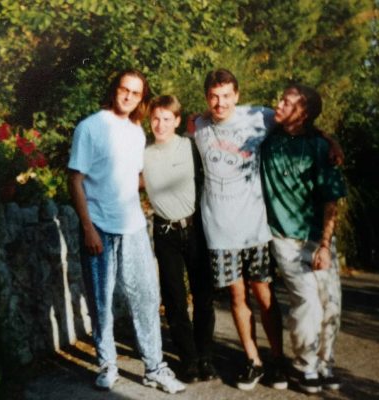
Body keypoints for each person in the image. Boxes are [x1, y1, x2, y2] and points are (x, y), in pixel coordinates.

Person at [68, 69, 185, 394]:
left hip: (132, 226)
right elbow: (75, 180)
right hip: (99, 228)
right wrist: (88, 228)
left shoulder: (136, 131)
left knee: (146, 296)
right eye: (124, 89)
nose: (129, 97)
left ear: (141, 98)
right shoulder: (90, 127)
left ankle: (155, 368)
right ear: (114, 89)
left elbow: (133, 179)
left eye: (136, 93)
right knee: (101, 301)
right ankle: (107, 365)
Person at [190, 69, 287, 391]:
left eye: (226, 96)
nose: (220, 103)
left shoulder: (259, 117)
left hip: (255, 229)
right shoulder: (197, 125)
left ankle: (277, 360)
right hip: (220, 231)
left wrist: (329, 141)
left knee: (264, 293)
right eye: (214, 97)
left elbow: (298, 120)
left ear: (237, 95)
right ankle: (253, 361)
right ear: (206, 98)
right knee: (236, 296)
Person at [261, 84, 346, 394]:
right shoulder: (267, 137)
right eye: (280, 98)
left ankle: (325, 363)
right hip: (283, 236)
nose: (278, 104)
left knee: (331, 303)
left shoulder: (320, 148)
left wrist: (324, 245)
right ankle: (304, 365)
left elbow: (331, 201)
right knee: (307, 300)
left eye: (287, 101)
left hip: (317, 237)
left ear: (304, 112)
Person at [142, 95, 217, 383]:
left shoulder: (190, 145)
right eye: (155, 119)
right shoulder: (143, 153)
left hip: (195, 227)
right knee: (174, 298)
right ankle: (188, 360)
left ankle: (205, 356)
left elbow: (216, 121)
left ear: (176, 120)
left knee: (203, 295)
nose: (160, 125)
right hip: (165, 232)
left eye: (166, 119)